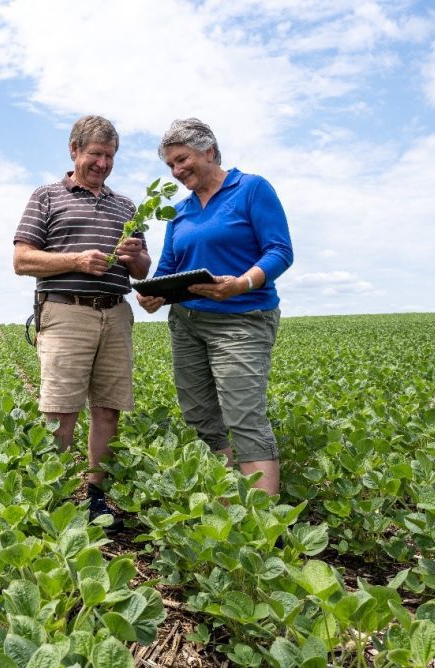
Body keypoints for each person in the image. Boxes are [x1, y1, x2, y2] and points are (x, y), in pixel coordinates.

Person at [136, 118, 293, 496]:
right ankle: (227, 504)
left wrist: (242, 283)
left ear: (208, 151)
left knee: (243, 416)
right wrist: (152, 295)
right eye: (171, 165)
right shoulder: (180, 212)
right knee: (201, 417)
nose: (177, 170)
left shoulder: (252, 189)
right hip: (187, 324)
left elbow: (280, 250)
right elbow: (167, 269)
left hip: (242, 319)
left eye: (182, 159)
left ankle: (261, 526)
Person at [13, 114, 150, 530]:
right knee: (60, 410)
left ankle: (96, 498)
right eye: (95, 154)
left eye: (110, 156)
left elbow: (143, 270)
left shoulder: (126, 206)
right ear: (74, 151)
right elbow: (21, 259)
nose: (103, 164)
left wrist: (135, 258)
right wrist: (75, 260)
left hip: (115, 312)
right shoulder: (47, 196)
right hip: (65, 309)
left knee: (108, 410)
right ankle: (49, 497)